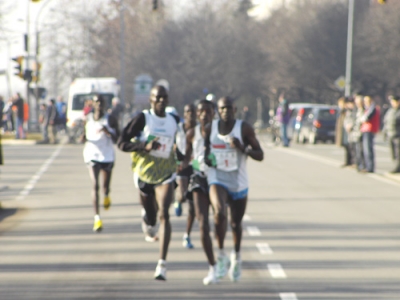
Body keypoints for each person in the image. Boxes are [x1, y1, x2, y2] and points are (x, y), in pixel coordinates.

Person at [117, 85, 181, 281]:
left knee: (164, 214)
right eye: (157, 97)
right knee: (152, 218)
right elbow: (122, 143)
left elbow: (182, 143)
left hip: (166, 173)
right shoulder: (143, 119)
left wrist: (183, 157)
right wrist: (144, 146)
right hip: (144, 173)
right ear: (151, 100)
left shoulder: (173, 120)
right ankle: (147, 217)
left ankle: (162, 264)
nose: (161, 101)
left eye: (164, 97)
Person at [204, 96, 264, 282]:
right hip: (218, 178)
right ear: (217, 111)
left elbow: (260, 154)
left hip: (238, 182)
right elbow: (205, 154)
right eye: (222, 109)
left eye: (229, 108)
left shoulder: (243, 128)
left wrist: (242, 148)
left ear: (234, 110)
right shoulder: (210, 128)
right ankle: (221, 255)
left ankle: (236, 257)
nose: (225, 112)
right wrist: (208, 159)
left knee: (235, 224)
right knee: (219, 214)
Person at [183, 99, 217, 284]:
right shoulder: (191, 134)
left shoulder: (220, 133)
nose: (204, 114)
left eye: (208, 111)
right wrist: (181, 164)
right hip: (199, 179)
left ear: (214, 113)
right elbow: (188, 159)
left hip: (219, 179)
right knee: (203, 223)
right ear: (197, 114)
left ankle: (222, 254)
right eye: (201, 111)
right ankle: (212, 266)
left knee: (220, 219)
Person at [82, 94, 119, 232]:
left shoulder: (111, 119)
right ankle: (97, 218)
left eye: (101, 102)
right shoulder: (88, 118)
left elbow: (118, 138)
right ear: (93, 104)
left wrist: (108, 131)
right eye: (97, 102)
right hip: (92, 154)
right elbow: (83, 136)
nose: (99, 105)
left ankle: (107, 195)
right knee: (95, 185)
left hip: (107, 155)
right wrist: (82, 138)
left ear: (105, 104)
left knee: (105, 187)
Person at [174, 103, 197, 249]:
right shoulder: (178, 128)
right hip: (181, 164)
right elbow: (173, 145)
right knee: (182, 195)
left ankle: (187, 236)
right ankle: (178, 200)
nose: (190, 114)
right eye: (188, 111)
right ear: (184, 113)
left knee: (193, 204)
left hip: (196, 165)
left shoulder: (201, 129)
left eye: (193, 112)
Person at [360, 95, 380, 173]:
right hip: (366, 129)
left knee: (368, 149)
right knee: (366, 149)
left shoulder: (373, 108)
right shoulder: (368, 108)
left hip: (369, 130)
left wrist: (363, 118)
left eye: (367, 101)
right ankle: (367, 166)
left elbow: (365, 118)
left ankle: (370, 167)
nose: (365, 103)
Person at [383, 95, 400, 173]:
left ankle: (398, 167)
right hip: (391, 134)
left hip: (398, 135)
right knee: (393, 152)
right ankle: (396, 166)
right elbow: (386, 122)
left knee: (398, 152)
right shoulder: (390, 111)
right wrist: (384, 133)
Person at [335, 96, 352, 167]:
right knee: (346, 147)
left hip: (348, 131)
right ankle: (347, 161)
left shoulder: (347, 111)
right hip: (344, 130)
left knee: (349, 147)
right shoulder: (342, 111)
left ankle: (350, 161)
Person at [352, 95, 365, 172]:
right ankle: (358, 164)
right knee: (357, 150)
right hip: (356, 133)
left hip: (361, 132)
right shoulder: (356, 110)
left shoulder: (363, 110)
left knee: (361, 150)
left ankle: (362, 165)